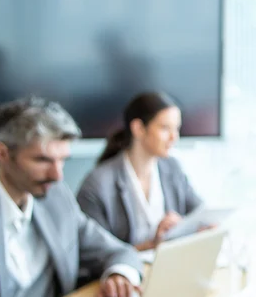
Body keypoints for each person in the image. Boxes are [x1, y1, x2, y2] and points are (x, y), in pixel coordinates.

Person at [0, 97, 143, 297]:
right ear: (2, 153)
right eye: (42, 160)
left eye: (62, 160)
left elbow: (118, 251)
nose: (57, 175)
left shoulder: (56, 197)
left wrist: (120, 274)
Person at [77, 92, 204, 250]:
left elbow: (199, 212)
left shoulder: (172, 168)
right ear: (138, 128)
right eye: (165, 128)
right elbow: (95, 252)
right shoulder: (98, 184)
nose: (174, 137)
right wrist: (152, 245)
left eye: (176, 129)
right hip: (127, 266)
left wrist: (187, 227)